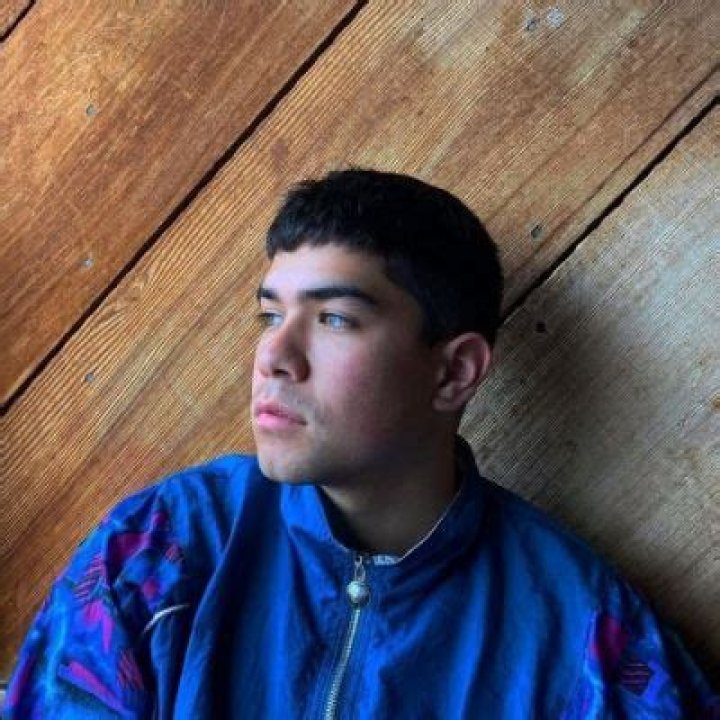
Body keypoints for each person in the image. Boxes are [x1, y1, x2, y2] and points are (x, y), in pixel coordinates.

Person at [3, 169, 717, 719]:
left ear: (454, 372)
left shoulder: (583, 633)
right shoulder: (163, 549)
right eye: (270, 315)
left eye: (335, 319)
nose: (274, 356)